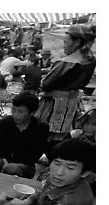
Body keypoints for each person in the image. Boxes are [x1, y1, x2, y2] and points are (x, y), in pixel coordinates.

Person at [35, 24, 96, 158]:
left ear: (77, 42)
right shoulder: (90, 60)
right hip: (70, 104)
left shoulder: (67, 62)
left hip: (53, 106)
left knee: (44, 137)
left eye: (66, 42)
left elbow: (45, 85)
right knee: (59, 137)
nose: (64, 45)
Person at [0, 92, 48, 178]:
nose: (15, 115)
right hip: (4, 160)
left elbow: (35, 155)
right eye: (13, 110)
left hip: (25, 165)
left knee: (12, 169)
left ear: (32, 112)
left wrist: (13, 165)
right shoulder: (6, 122)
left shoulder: (40, 128)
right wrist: (5, 162)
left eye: (20, 112)